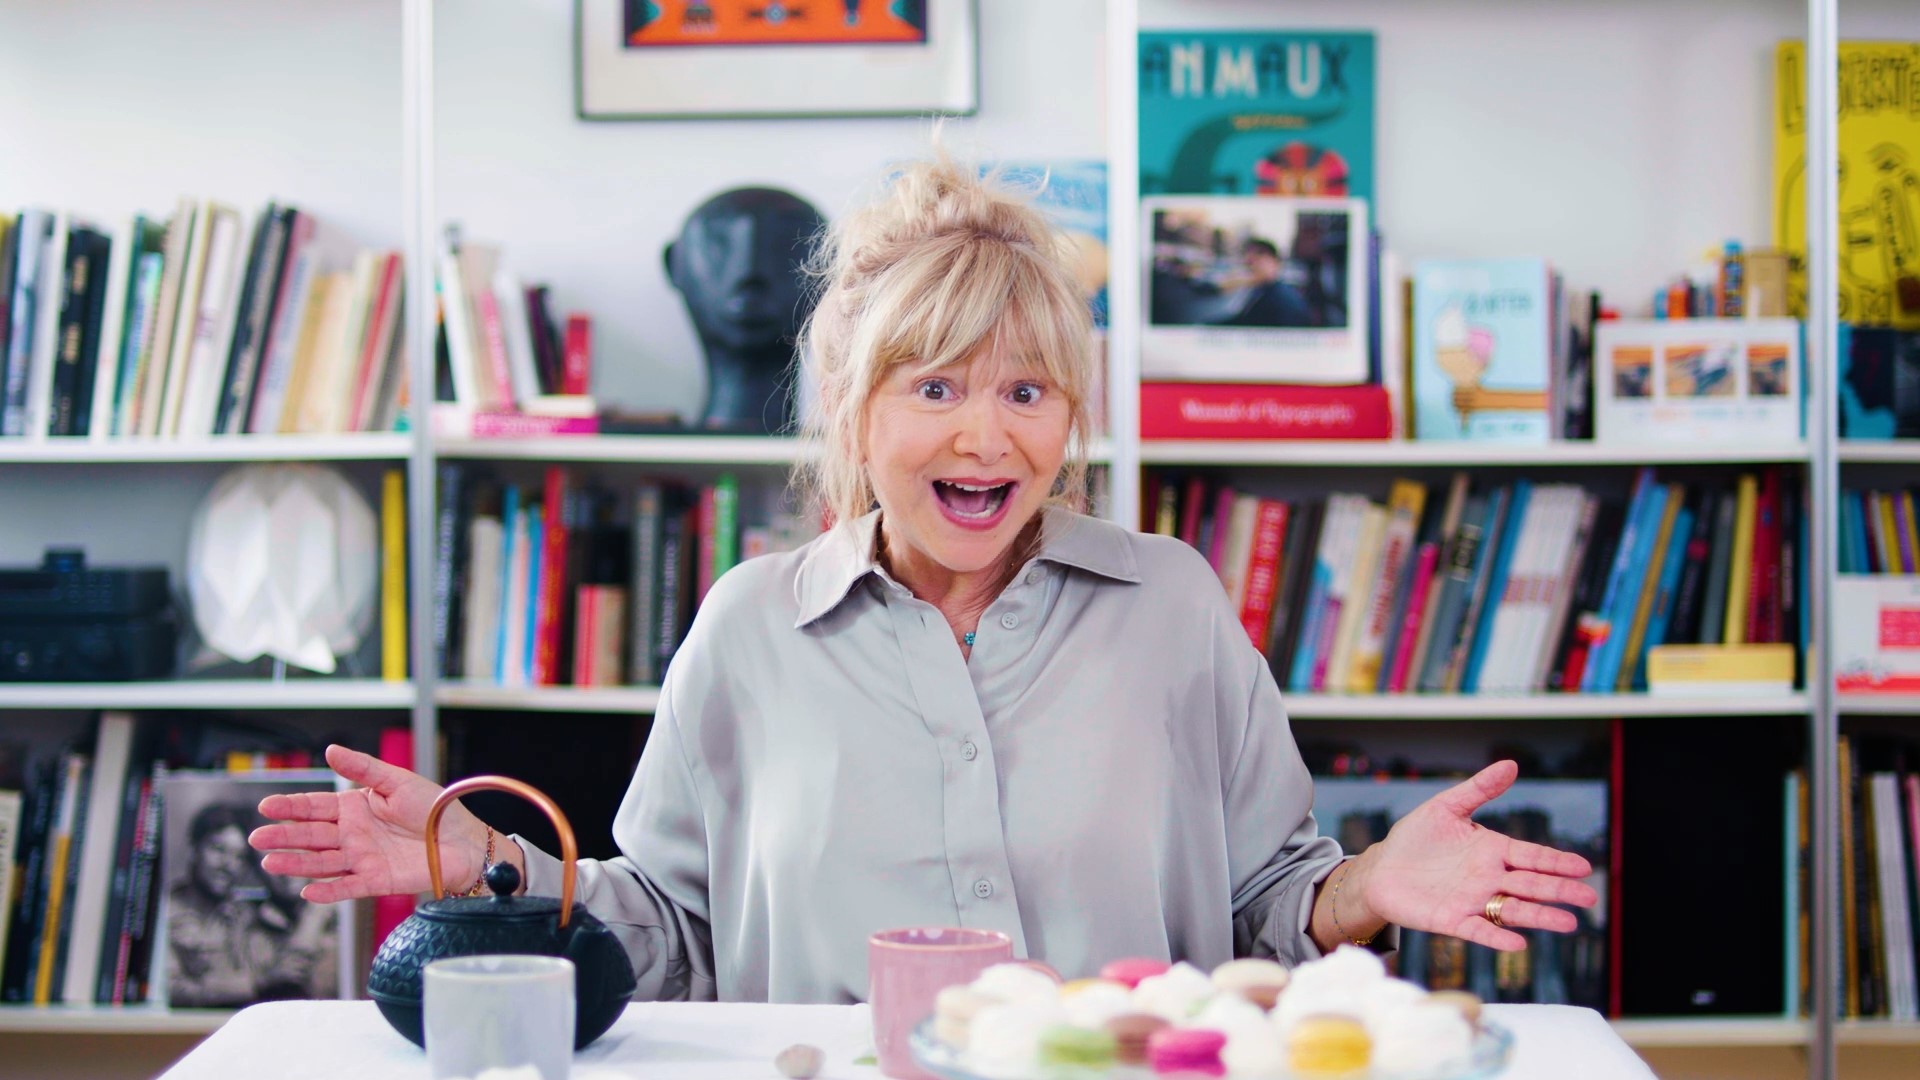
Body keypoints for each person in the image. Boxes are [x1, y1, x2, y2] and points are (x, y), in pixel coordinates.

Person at [252, 151, 1596, 1005]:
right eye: (936, 388)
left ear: (1069, 418)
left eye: (1027, 391)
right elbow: (671, 928)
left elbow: (1271, 905)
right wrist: (489, 864)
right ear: (854, 408)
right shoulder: (749, 628)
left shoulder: (1174, 604)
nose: (985, 436)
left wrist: (1370, 882)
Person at [169, 804, 269, 1007]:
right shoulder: (166, 912)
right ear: (194, 848)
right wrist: (254, 986)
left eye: (239, 857)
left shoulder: (245, 916)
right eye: (218, 850)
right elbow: (172, 990)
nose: (228, 865)